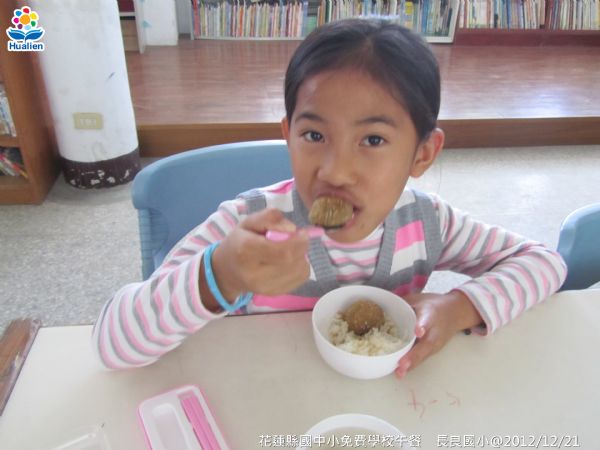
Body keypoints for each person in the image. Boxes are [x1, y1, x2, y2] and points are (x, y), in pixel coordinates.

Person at [92, 19, 567, 375]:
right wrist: (219, 276)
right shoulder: (249, 228)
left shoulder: (426, 223)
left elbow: (544, 262)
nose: (335, 171)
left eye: (373, 140)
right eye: (314, 135)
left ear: (423, 153)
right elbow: (112, 344)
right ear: (288, 134)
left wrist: (457, 306)